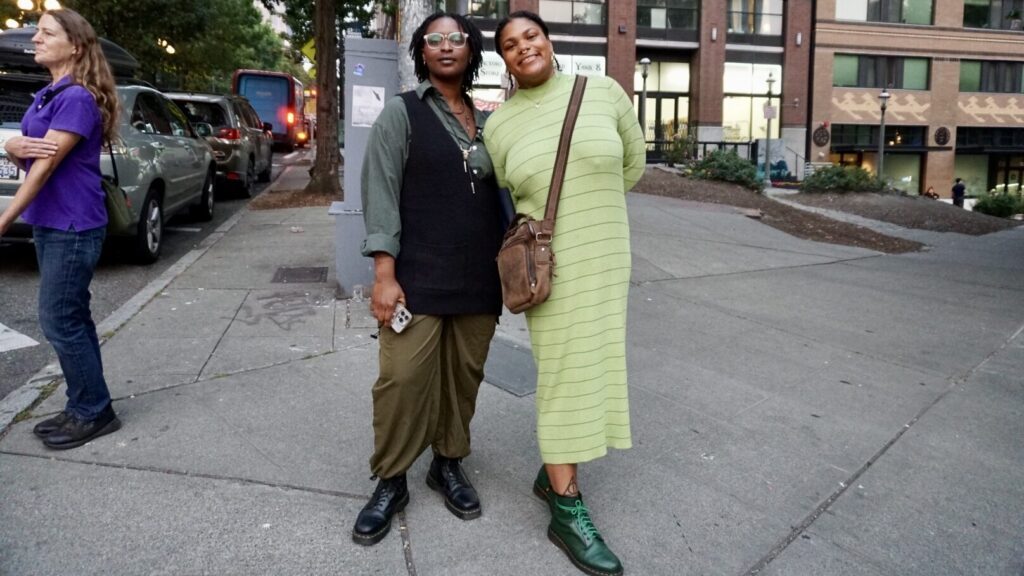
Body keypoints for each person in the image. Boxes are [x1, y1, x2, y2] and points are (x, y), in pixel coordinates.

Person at [484, 11, 645, 576]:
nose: (523, 47)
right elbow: (508, 194)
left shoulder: (602, 92)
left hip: (607, 258)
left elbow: (632, 163)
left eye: (530, 36)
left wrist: (592, 208)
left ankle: (552, 468)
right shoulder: (498, 126)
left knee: (595, 365)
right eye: (509, 45)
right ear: (502, 60)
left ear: (548, 41)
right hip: (550, 271)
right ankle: (566, 509)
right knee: (563, 376)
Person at [353, 12, 504, 546]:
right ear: (421, 52)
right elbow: (380, 194)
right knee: (401, 381)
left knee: (462, 381)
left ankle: (448, 463)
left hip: (479, 280)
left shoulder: (489, 121)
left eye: (455, 39)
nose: (445, 47)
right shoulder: (402, 114)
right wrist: (383, 273)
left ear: (470, 51)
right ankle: (391, 479)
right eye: (433, 40)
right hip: (415, 279)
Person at [0, 9, 121, 450]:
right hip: (53, 222)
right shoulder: (48, 94)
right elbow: (32, 156)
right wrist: (13, 146)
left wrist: (4, 219)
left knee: (60, 319)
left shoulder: (76, 99)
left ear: (75, 45)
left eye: (46, 33)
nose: (35, 39)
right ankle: (83, 403)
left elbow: (44, 168)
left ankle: (95, 411)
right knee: (71, 318)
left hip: (73, 224)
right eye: (36, 32)